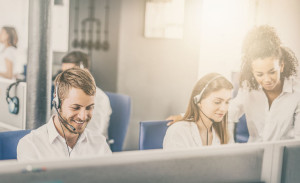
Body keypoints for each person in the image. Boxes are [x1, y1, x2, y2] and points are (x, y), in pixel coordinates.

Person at [167, 25, 300, 142]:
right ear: (252, 71)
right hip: (254, 156)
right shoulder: (249, 88)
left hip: (286, 159)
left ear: (281, 66)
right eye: (259, 74)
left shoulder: (296, 93)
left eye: (272, 72)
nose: (266, 79)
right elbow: (231, 110)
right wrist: (189, 116)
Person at [17, 68, 112, 162]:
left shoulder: (100, 144)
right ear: (57, 103)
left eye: (89, 108)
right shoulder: (31, 146)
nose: (83, 116)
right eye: (75, 108)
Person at [163, 73, 234, 150]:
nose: (223, 109)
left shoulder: (225, 134)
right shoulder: (178, 132)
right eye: (217, 102)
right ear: (198, 101)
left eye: (227, 102)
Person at [53, 51, 112, 139]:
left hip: (90, 148)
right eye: (63, 73)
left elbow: (92, 135)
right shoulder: (62, 94)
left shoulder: (99, 98)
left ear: (85, 71)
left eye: (71, 73)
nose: (65, 78)